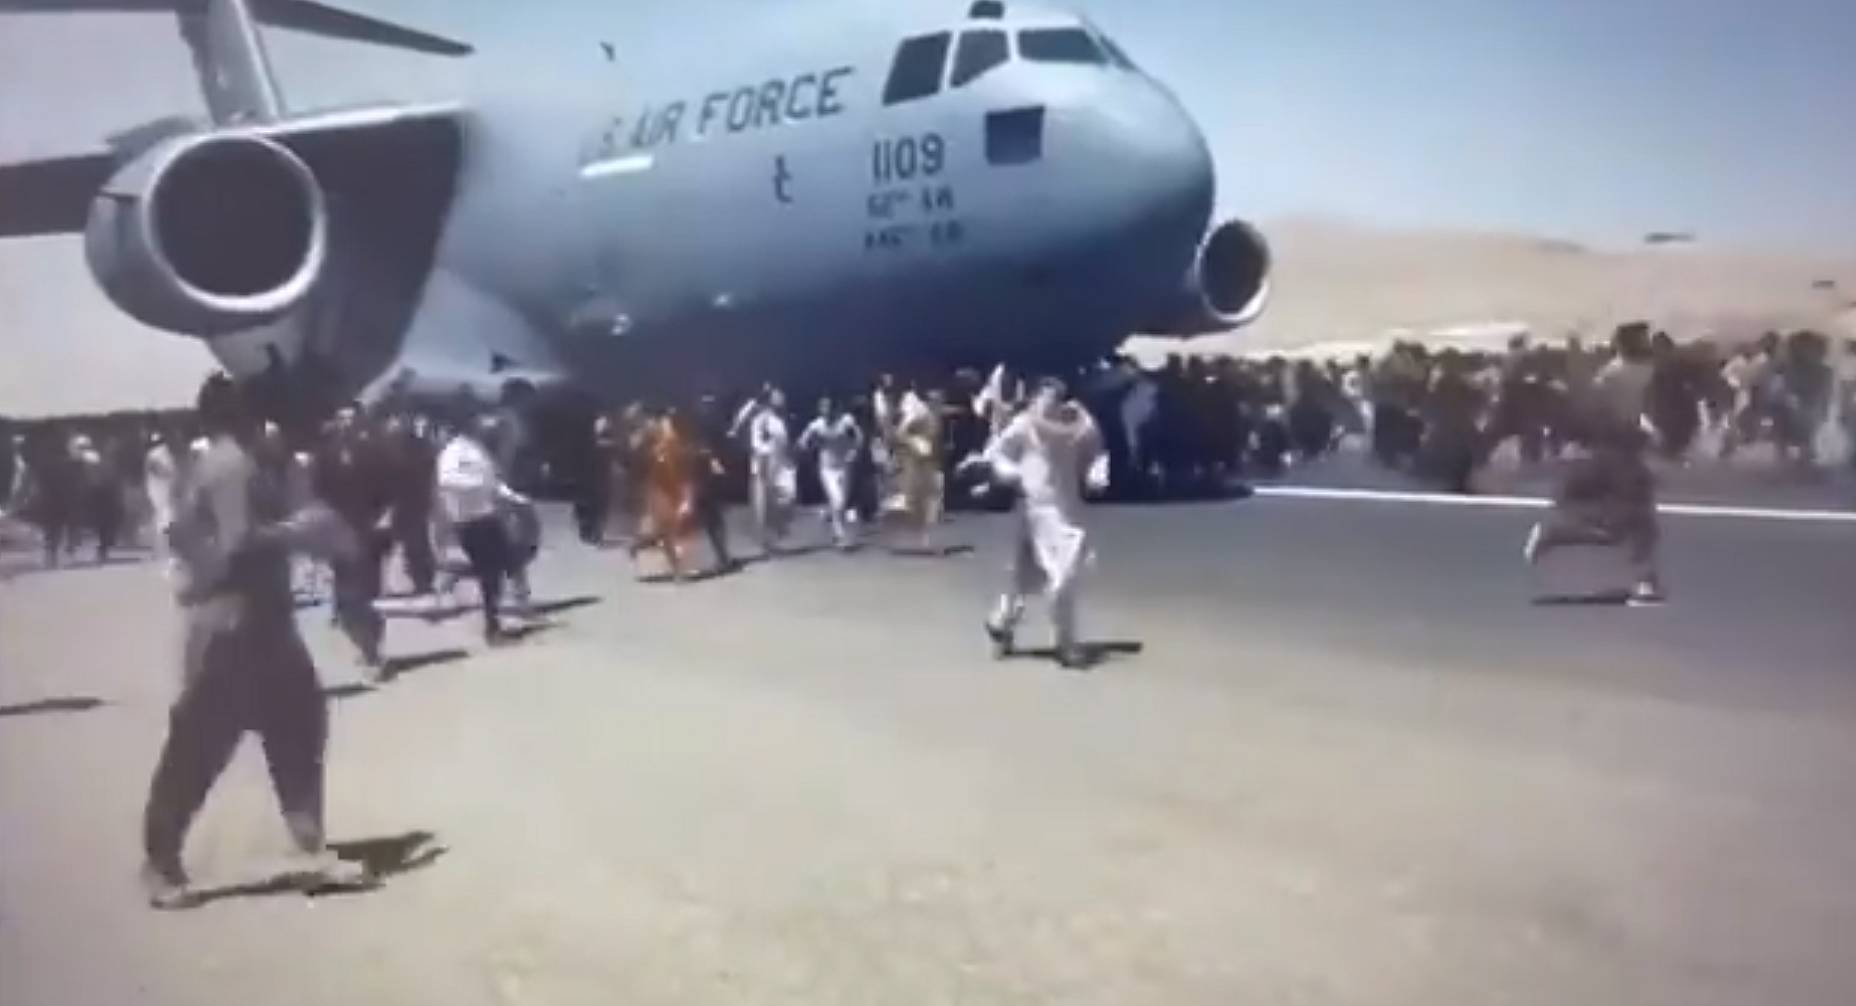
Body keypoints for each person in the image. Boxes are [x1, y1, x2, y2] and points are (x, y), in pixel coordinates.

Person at [141, 373, 367, 909]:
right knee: (201, 743)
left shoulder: (221, 462)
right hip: (237, 624)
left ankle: (308, 847)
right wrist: (306, 529)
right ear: (249, 416)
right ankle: (160, 861)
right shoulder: (234, 467)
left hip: (252, 619)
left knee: (298, 721)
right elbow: (239, 544)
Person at [1524, 323, 1664, 604]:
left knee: (1625, 525)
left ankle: (1557, 535)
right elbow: (1601, 412)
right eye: (1642, 339)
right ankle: (1644, 580)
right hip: (1615, 452)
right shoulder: (1619, 375)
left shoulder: (1629, 372)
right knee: (1638, 520)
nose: (1647, 343)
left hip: (1621, 451)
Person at [974, 378, 1108, 669]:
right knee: (1023, 576)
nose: (1052, 402)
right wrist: (1011, 472)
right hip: (1032, 511)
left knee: (1063, 575)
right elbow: (998, 453)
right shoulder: (1024, 425)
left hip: (1065, 512)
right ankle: (1003, 623)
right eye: (1047, 396)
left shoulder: (1079, 424)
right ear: (1035, 398)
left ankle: (1063, 641)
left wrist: (1097, 473)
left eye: (1057, 397)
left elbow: (1097, 451)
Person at [437, 413, 531, 643]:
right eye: (480, 424)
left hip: (486, 516)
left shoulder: (478, 450)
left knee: (501, 566)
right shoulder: (453, 452)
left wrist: (512, 496)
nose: (486, 429)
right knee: (489, 572)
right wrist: (477, 485)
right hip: (468, 519)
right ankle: (491, 627)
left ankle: (494, 618)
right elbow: (447, 480)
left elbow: (492, 481)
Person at [630, 407, 698, 580]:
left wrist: (686, 494)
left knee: (664, 531)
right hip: (658, 490)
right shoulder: (650, 437)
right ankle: (677, 572)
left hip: (673, 488)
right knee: (667, 531)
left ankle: (640, 544)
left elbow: (684, 467)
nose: (667, 424)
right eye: (663, 421)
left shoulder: (674, 440)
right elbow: (637, 458)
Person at [798, 396, 864, 550]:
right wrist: (810, 447)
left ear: (834, 408)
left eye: (827, 406)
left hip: (845, 466)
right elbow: (802, 442)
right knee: (837, 500)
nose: (824, 410)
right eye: (821, 407)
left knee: (841, 503)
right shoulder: (817, 425)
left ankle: (837, 530)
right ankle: (840, 534)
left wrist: (853, 452)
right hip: (827, 469)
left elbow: (859, 438)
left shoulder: (846, 422)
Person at [745, 388, 797, 554]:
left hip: (782, 465)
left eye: (782, 396)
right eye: (777, 397)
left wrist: (790, 458)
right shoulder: (761, 418)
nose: (781, 399)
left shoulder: (783, 419)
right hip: (764, 465)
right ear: (770, 400)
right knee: (764, 505)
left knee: (790, 496)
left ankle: (780, 528)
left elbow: (785, 442)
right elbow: (756, 442)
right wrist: (764, 455)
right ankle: (767, 542)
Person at [893, 387, 944, 552]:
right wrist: (914, 442)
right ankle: (918, 538)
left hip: (929, 462)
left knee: (932, 498)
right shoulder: (920, 413)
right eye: (936, 398)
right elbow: (900, 432)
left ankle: (925, 539)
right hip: (917, 463)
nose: (939, 401)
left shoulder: (933, 414)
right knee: (919, 499)